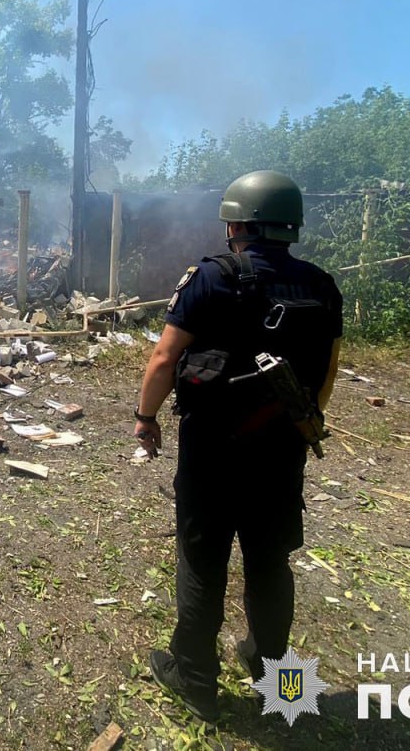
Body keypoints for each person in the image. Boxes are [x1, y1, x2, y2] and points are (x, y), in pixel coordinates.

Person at [132, 169, 343, 721]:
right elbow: (328, 368)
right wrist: (306, 421)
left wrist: (144, 417)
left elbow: (163, 359)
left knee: (202, 562)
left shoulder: (211, 277)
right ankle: (283, 687)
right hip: (282, 448)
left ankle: (195, 678)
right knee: (270, 564)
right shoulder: (321, 285)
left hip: (212, 451)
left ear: (238, 224)